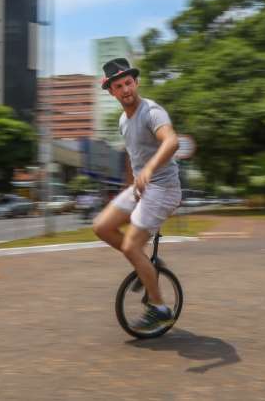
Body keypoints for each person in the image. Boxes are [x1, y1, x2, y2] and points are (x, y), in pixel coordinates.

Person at [92, 58, 182, 331]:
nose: (125, 89)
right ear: (112, 92)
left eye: (128, 83)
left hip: (164, 188)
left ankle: (159, 307)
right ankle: (147, 267)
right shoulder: (123, 121)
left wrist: (151, 169)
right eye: (118, 86)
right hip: (142, 187)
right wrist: (131, 186)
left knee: (131, 246)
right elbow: (133, 157)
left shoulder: (152, 111)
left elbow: (171, 141)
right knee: (102, 227)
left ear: (136, 82)